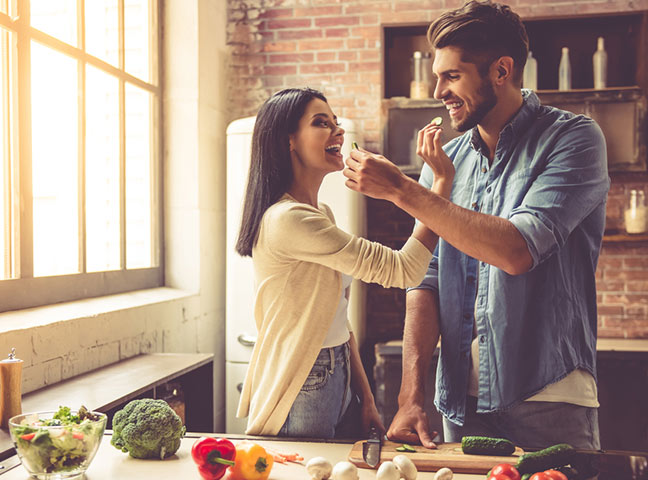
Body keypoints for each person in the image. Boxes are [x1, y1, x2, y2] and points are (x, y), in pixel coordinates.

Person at [343, 1, 609, 450]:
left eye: (452, 76)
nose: (438, 90)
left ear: (501, 70)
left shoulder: (574, 139)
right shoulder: (443, 165)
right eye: (437, 76)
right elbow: (424, 282)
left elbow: (516, 250)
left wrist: (402, 190)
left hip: (549, 394)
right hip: (461, 403)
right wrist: (412, 392)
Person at [234, 87, 454, 438]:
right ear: (288, 140)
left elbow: (336, 317)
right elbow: (405, 270)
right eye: (321, 123)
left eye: (335, 122)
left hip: (334, 371)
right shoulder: (289, 220)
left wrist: (364, 397)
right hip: (303, 379)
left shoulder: (320, 214)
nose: (337, 131)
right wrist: (439, 185)